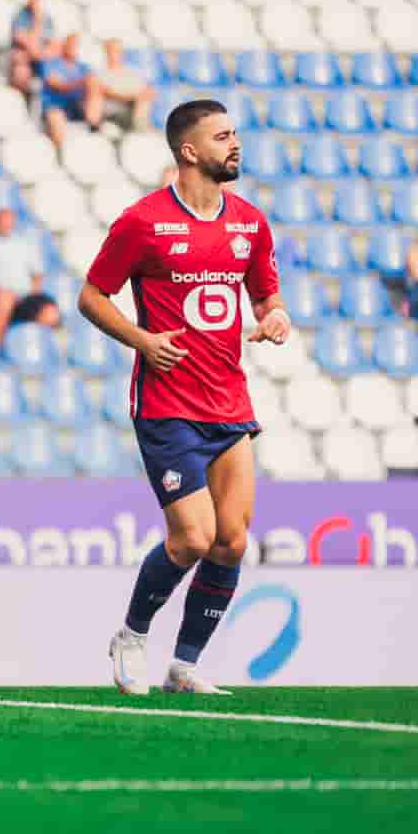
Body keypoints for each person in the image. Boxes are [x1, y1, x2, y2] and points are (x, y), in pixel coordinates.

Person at [80, 99, 287, 697]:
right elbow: (92, 296)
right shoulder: (142, 222)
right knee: (192, 538)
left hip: (230, 404)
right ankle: (132, 634)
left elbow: (268, 297)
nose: (235, 144)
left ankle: (185, 666)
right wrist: (142, 339)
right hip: (168, 405)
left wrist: (274, 319)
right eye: (223, 136)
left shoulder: (249, 222)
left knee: (233, 539)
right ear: (189, 151)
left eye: (236, 132)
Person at [0, 208, 56, 342]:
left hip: (25, 295)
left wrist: (34, 292)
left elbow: (37, 273)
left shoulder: (24, 244)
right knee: (5, 301)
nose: (7, 225)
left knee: (49, 312)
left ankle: (43, 348)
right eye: (4, 222)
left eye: (10, 222)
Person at [38, 33, 91, 149]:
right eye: (71, 44)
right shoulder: (51, 63)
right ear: (65, 46)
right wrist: (82, 83)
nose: (74, 48)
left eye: (77, 45)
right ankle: (61, 155)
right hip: (56, 106)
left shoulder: (84, 67)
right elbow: (56, 83)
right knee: (56, 118)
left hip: (78, 106)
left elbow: (92, 85)